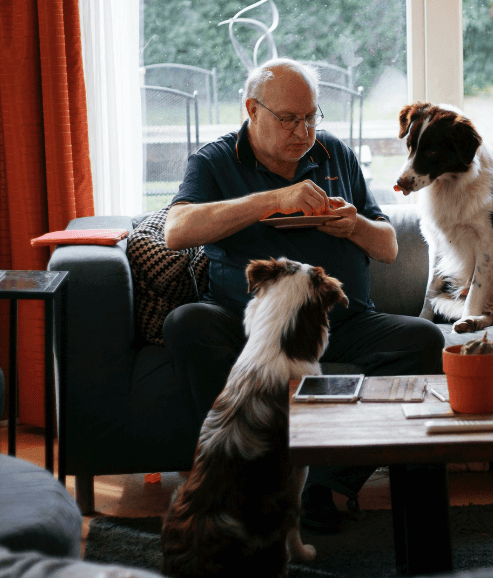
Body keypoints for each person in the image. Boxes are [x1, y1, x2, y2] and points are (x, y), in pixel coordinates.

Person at [162, 58, 444, 532]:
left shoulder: (336, 154)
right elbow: (176, 230)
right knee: (186, 324)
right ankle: (237, 478)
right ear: (252, 110)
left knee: (422, 340)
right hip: (251, 327)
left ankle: (328, 486)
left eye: (312, 117)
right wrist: (273, 200)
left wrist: (353, 225)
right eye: (290, 119)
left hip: (341, 322)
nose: (304, 130)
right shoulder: (214, 161)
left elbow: (389, 246)